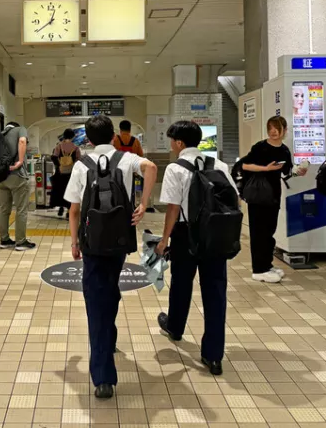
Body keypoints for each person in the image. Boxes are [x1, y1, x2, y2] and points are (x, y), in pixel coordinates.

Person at [64, 115, 157, 400]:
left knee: (95, 300)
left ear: (89, 139)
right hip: (118, 242)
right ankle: (110, 338)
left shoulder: (82, 165)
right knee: (110, 290)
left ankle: (103, 378)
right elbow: (151, 167)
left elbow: (74, 210)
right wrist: (142, 204)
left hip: (92, 242)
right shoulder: (126, 159)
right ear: (113, 135)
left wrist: (74, 241)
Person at [154, 120, 238, 376]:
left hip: (185, 234)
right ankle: (213, 356)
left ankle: (176, 327)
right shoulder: (219, 165)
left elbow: (173, 208)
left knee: (181, 283)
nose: (171, 145)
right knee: (215, 292)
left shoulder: (175, 168)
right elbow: (234, 198)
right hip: (214, 234)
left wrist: (164, 239)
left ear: (179, 142)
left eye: (172, 141)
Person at [240, 116, 307, 283]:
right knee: (258, 232)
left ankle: (267, 265)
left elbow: (286, 172)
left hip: (273, 195)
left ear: (284, 130)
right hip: (257, 195)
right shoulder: (260, 147)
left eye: (277, 127)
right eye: (270, 127)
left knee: (269, 231)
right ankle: (258, 269)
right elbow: (245, 165)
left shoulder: (284, 150)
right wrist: (265, 168)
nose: (273, 131)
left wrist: (298, 171)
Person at [0, 122, 35, 251]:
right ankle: (21, 242)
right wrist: (20, 161)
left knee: (4, 209)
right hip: (17, 176)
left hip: (1, 178)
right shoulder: (21, 129)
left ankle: (4, 240)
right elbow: (22, 141)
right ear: (15, 127)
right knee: (21, 209)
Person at [50, 128, 81, 218]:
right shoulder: (75, 147)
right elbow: (79, 159)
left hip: (60, 172)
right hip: (71, 174)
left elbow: (54, 157)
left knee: (60, 190)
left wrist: (59, 166)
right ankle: (68, 211)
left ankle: (60, 208)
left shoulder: (59, 146)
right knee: (70, 191)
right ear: (73, 137)